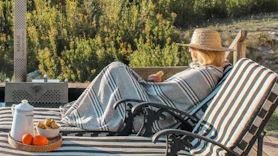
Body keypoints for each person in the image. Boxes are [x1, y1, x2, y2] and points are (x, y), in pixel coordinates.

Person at [60, 28, 233, 133]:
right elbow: (175, 93)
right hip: (155, 106)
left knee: (117, 69)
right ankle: (84, 109)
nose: (190, 53)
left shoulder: (203, 75)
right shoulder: (207, 71)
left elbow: (173, 96)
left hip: (152, 116)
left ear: (199, 51)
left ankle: (80, 111)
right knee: (117, 70)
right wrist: (155, 84)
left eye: (192, 49)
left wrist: (150, 87)